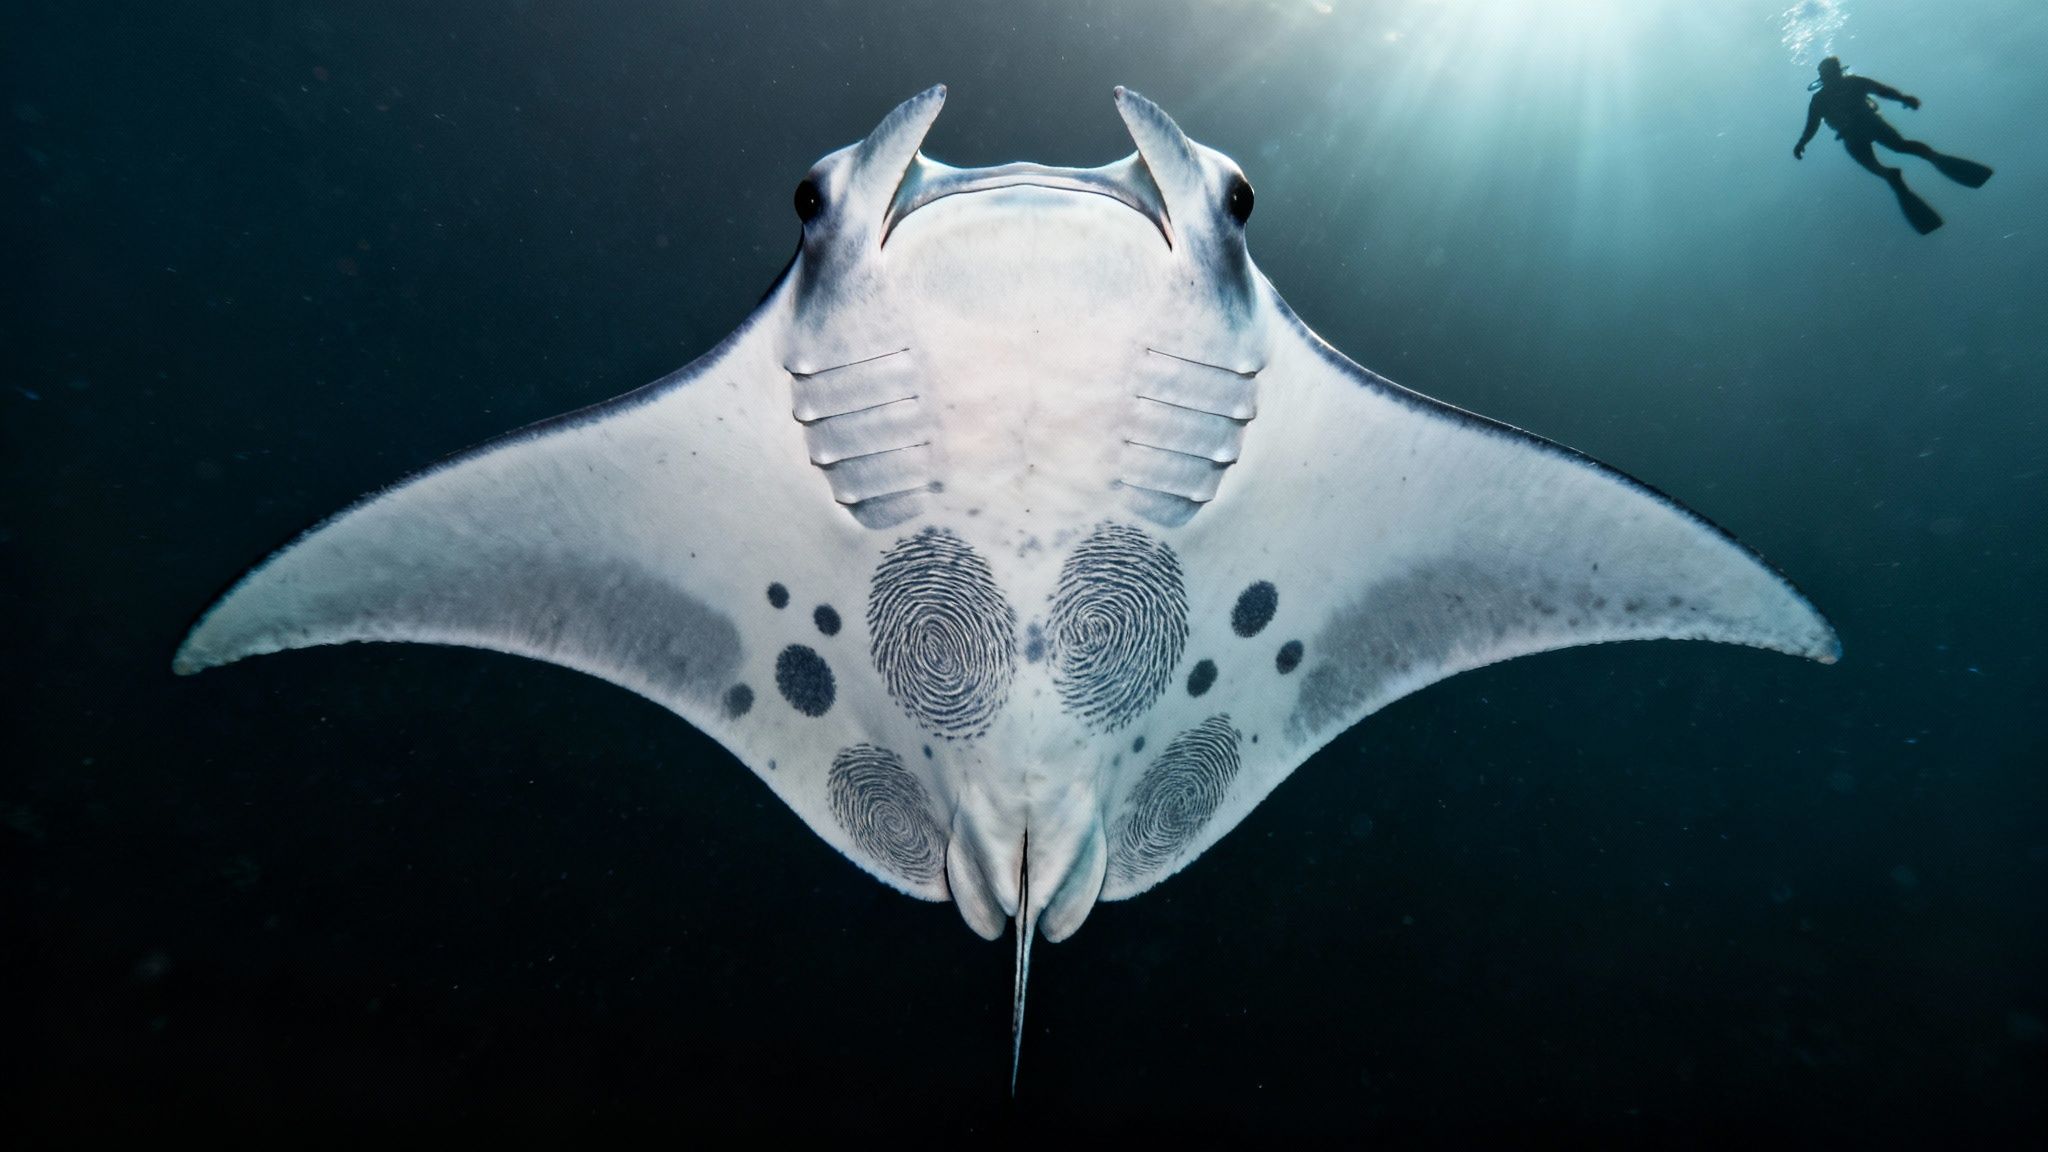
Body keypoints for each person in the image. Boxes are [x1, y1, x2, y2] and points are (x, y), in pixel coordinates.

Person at [1794, 56, 1993, 234]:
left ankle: (1900, 173)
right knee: (1900, 148)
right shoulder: (1846, 86)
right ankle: (1925, 160)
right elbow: (1883, 92)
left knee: (1889, 156)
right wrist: (1903, 98)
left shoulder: (1827, 95)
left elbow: (1813, 124)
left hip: (1855, 133)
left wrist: (1803, 142)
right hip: (1865, 127)